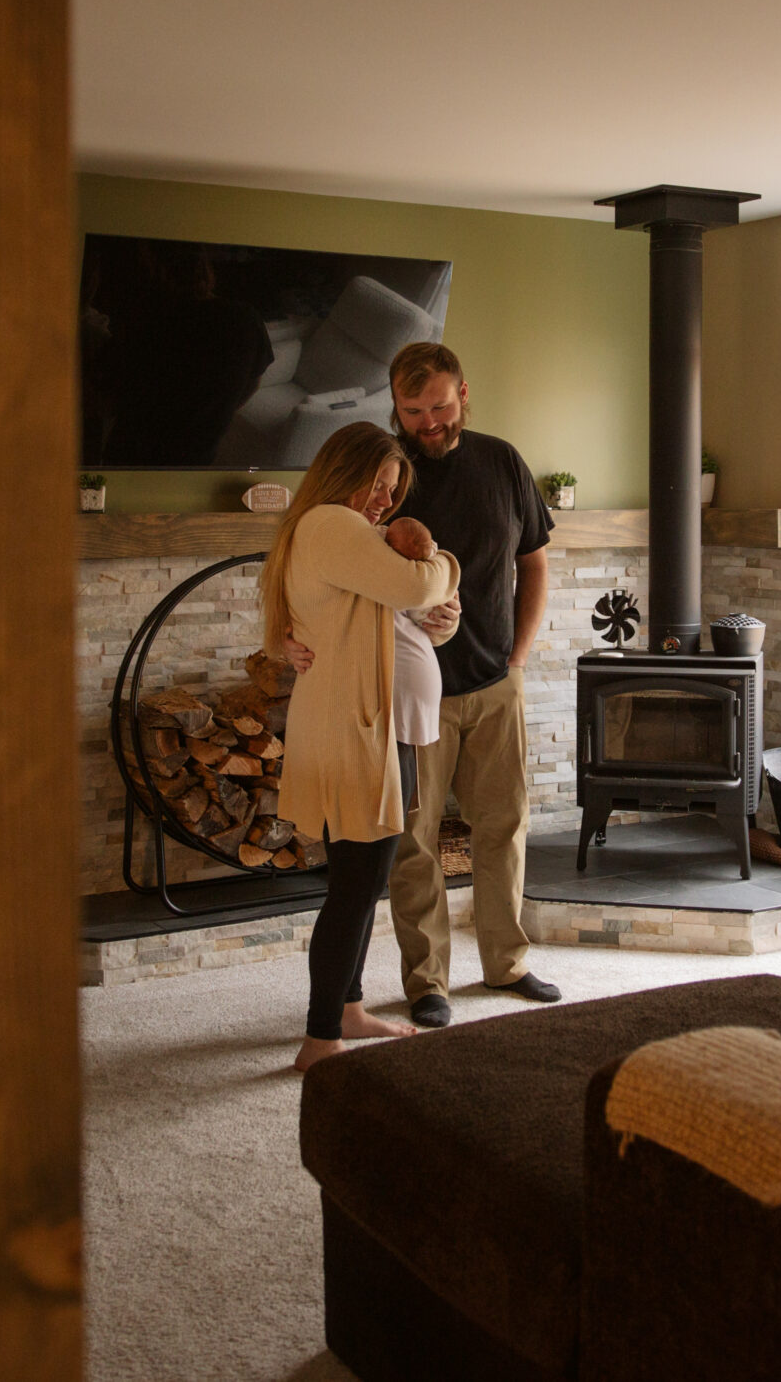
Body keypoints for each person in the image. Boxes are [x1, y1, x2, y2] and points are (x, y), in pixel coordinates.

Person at [264, 421, 461, 1071]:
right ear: (342, 470)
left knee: (364, 878)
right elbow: (417, 586)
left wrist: (440, 619)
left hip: (378, 723)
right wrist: (446, 566)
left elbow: (395, 617)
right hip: (357, 729)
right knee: (356, 884)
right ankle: (320, 1038)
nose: (384, 499)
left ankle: (346, 1008)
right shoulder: (332, 523)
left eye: (392, 489)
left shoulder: (347, 534)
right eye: (376, 483)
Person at [384, 341, 557, 1027]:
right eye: (413, 409)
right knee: (415, 840)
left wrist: (518, 658)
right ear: (395, 406)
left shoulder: (502, 461)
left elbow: (534, 562)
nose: (429, 421)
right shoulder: (383, 476)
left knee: (504, 827)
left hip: (494, 682)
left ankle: (506, 964)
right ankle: (427, 981)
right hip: (411, 692)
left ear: (463, 393)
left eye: (439, 404)